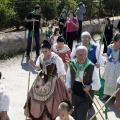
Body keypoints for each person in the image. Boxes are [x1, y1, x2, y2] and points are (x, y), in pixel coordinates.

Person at [24, 40, 70, 120]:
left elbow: (61, 72)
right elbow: (38, 68)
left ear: (50, 50)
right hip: (42, 78)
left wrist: (60, 82)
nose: (44, 53)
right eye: (43, 51)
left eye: (46, 51)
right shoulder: (41, 56)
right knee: (33, 94)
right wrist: (33, 65)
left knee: (53, 100)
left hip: (54, 80)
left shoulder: (56, 58)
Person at [66, 46, 101, 120]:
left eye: (83, 54)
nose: (81, 57)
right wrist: (68, 86)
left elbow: (98, 84)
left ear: (86, 55)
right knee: (73, 115)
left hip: (86, 97)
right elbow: (68, 77)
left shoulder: (91, 67)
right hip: (74, 95)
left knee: (81, 117)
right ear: (76, 55)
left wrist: (90, 87)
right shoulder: (72, 64)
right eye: (79, 54)